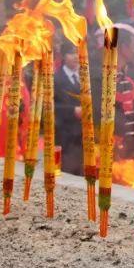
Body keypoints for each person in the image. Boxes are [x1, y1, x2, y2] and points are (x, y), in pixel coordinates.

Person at [112, 27, 134, 187]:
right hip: (113, 148)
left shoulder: (132, 72)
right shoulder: (101, 77)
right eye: (132, 45)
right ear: (123, 48)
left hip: (133, 146)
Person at [54, 44, 84, 175]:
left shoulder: (86, 76)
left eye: (78, 53)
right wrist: (73, 110)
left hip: (84, 135)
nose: (76, 57)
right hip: (65, 134)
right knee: (67, 174)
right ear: (63, 56)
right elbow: (50, 107)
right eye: (71, 53)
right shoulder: (56, 78)